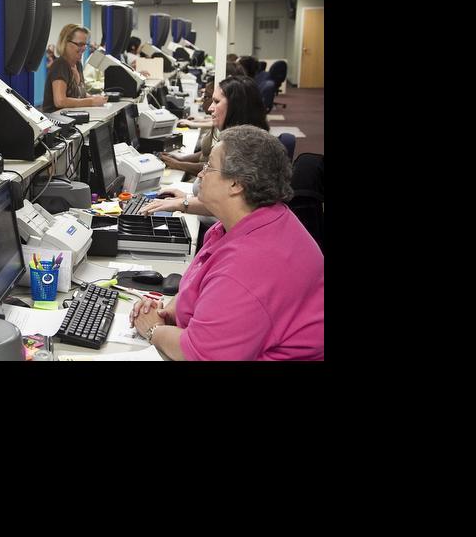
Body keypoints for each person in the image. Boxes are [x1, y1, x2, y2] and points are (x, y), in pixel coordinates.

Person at [128, 125, 324, 361]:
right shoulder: (259, 220)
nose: (201, 174)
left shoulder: (249, 266)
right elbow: (203, 286)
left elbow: (202, 354)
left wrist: (153, 330)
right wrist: (167, 313)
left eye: (209, 166)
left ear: (236, 184)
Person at [141, 75, 269, 213]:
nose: (210, 108)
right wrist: (186, 199)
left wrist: (183, 204)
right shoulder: (238, 140)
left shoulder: (243, 150)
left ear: (236, 106)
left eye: (216, 102)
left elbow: (229, 207)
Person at [42, 24, 107, 113]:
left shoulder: (78, 64)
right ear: (65, 43)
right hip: (57, 119)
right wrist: (91, 101)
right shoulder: (60, 65)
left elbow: (79, 94)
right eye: (80, 44)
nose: (83, 48)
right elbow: (60, 101)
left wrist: (94, 98)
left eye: (85, 44)